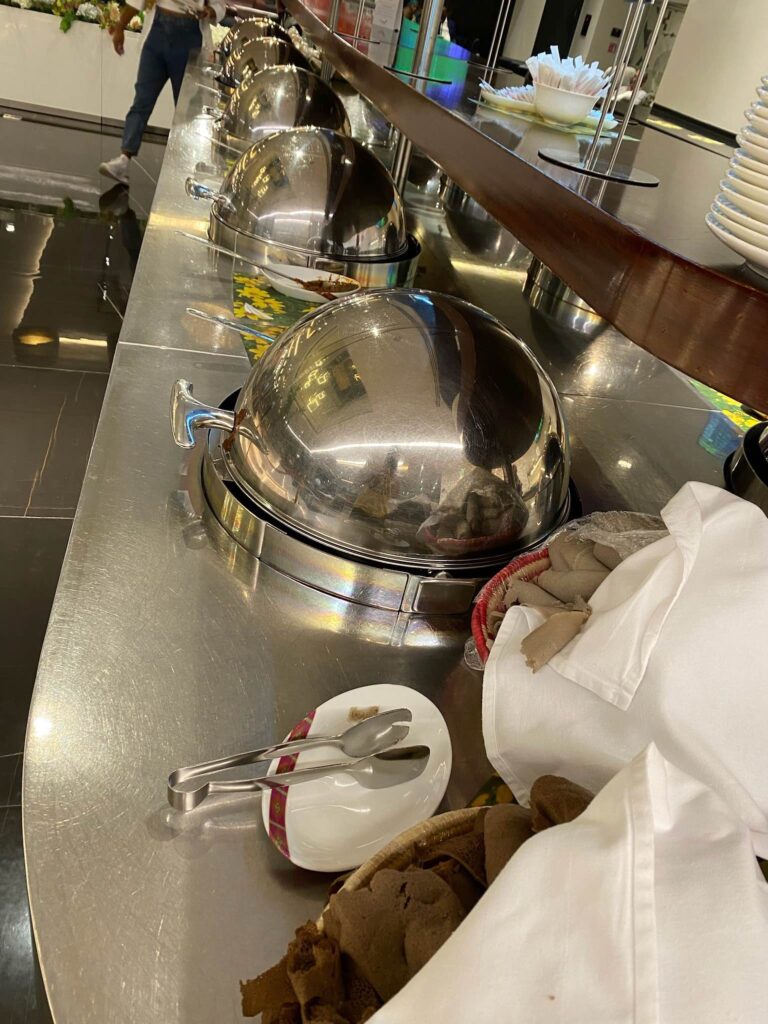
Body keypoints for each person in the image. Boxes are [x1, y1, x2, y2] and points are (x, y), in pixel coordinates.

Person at [99, 0, 225, 186]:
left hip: (189, 37)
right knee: (142, 99)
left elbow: (220, 6)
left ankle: (188, 167)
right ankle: (124, 159)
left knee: (186, 109)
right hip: (157, 33)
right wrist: (120, 27)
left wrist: (210, 11)